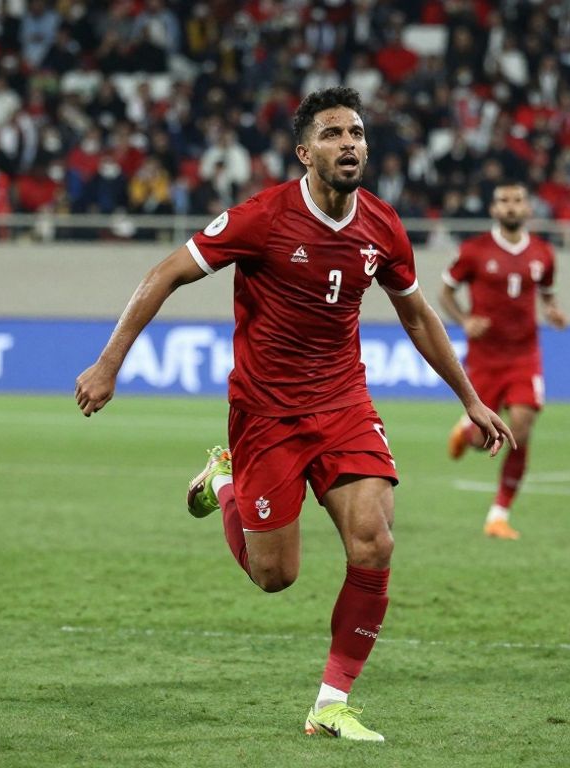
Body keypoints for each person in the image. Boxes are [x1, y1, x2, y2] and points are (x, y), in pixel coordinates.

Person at [73, 87, 513, 742]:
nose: (350, 144)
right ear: (304, 151)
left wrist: (470, 398)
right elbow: (166, 271)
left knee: (375, 537)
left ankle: (331, 703)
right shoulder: (262, 218)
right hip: (266, 413)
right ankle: (225, 482)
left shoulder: (383, 226)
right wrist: (109, 363)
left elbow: (417, 315)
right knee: (275, 577)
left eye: (357, 133)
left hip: (343, 402)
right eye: (333, 134)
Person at [438, 182, 567, 540]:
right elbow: (445, 291)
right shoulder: (474, 251)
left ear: (528, 209)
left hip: (525, 356)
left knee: (522, 429)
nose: (511, 207)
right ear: (494, 210)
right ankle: (466, 432)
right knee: (484, 439)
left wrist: (553, 311)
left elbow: (547, 293)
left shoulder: (543, 253)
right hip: (484, 359)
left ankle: (498, 515)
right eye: (504, 202)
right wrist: (465, 320)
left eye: (517, 201)